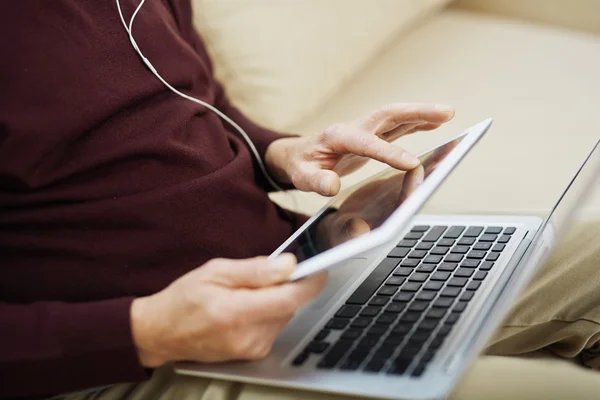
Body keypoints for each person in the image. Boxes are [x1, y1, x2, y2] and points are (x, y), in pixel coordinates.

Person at [1, 2, 599, 400]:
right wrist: (147, 331)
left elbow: (194, 105)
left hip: (297, 266)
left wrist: (284, 151)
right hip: (139, 362)